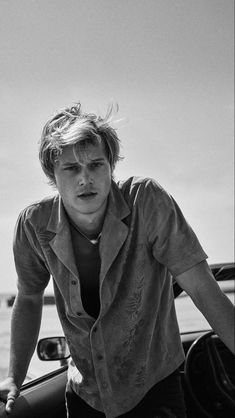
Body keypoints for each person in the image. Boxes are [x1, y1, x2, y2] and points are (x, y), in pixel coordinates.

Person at [0, 102, 234, 418]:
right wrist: (14, 377)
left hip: (154, 388)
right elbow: (28, 298)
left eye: (96, 164)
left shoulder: (146, 201)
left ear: (111, 166)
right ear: (52, 174)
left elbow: (204, 289)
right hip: (85, 395)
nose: (86, 179)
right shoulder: (33, 226)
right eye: (71, 168)